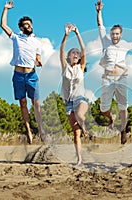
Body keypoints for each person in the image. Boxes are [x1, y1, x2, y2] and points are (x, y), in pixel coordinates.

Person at [95, 0, 132, 144]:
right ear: (110, 34)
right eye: (113, 34)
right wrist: (99, 12)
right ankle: (111, 118)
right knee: (103, 109)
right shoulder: (105, 41)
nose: (114, 36)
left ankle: (123, 130)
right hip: (107, 79)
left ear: (121, 35)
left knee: (123, 106)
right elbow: (100, 26)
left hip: (121, 78)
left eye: (117, 34)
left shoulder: (125, 44)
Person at [0, 0, 44, 144]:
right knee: (23, 104)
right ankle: (29, 131)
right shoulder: (16, 37)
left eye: (30, 24)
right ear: (21, 27)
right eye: (26, 24)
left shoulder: (36, 41)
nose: (29, 26)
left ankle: (41, 129)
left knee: (36, 103)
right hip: (18, 76)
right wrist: (6, 9)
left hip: (32, 75)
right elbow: (3, 25)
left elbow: (38, 56)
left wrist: (39, 61)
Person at [60, 23, 88, 165]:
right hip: (68, 102)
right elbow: (62, 49)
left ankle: (86, 128)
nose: (76, 55)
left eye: (77, 54)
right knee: (75, 133)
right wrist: (66, 35)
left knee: (80, 115)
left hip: (80, 99)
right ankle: (79, 159)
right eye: (73, 53)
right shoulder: (65, 67)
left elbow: (84, 50)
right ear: (69, 57)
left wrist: (77, 33)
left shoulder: (81, 68)